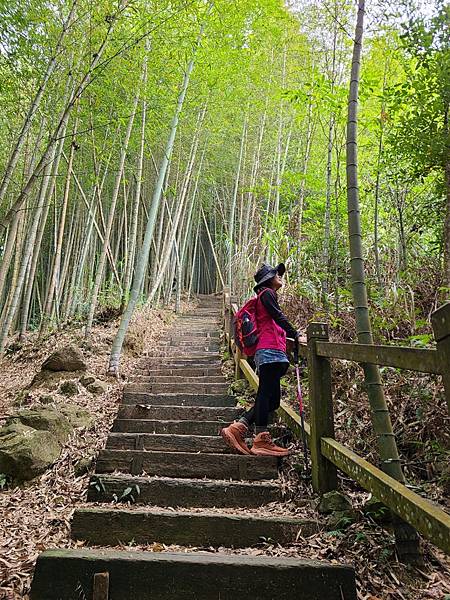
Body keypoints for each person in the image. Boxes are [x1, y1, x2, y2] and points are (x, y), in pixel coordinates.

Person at [221, 263, 299, 457]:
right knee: (265, 395)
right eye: (276, 274)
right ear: (268, 279)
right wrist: (295, 334)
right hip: (270, 350)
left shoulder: (266, 296)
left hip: (272, 351)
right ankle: (260, 439)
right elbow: (278, 316)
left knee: (273, 401)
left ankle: (239, 427)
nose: (280, 277)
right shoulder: (267, 294)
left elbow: (274, 319)